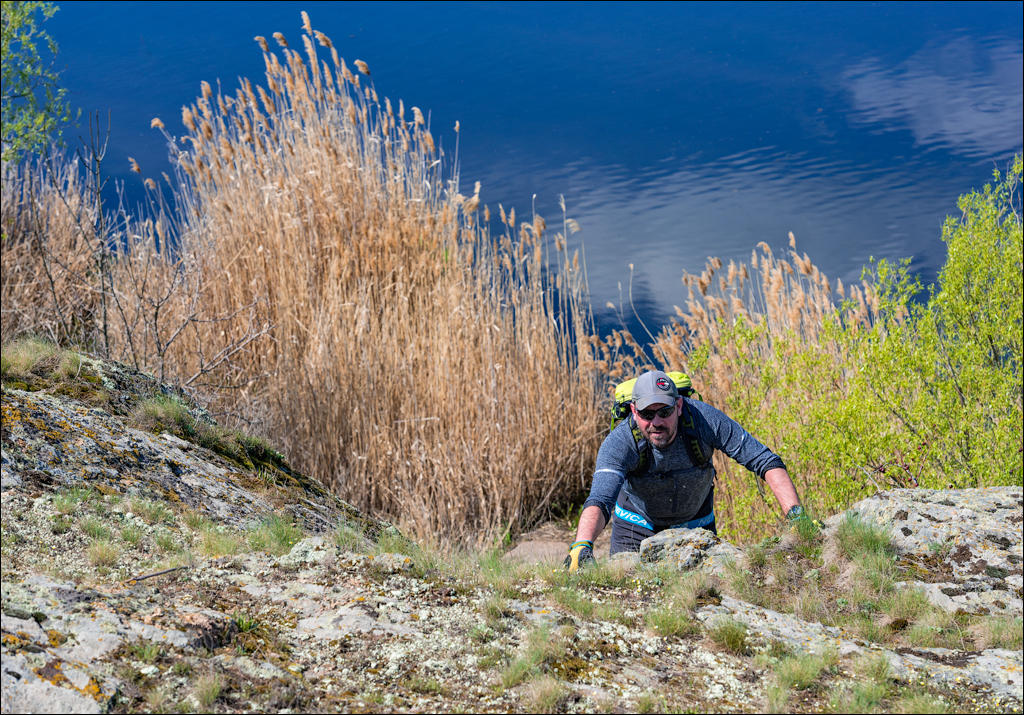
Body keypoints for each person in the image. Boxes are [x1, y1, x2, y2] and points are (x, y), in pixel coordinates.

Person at [564, 369, 812, 570]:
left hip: (697, 526)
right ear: (633, 411)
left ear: (679, 406)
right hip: (635, 528)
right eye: (647, 414)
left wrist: (796, 516)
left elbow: (765, 460)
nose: (656, 422)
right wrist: (582, 545)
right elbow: (600, 499)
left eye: (665, 411)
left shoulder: (705, 421)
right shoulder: (620, 442)